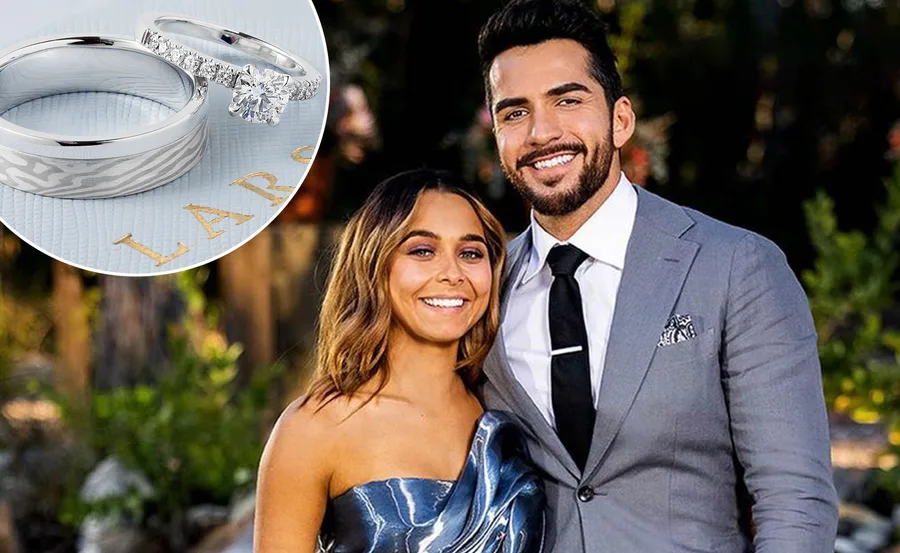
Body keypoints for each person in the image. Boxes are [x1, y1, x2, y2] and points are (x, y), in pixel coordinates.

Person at [476, 1, 840, 552]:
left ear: (621, 119)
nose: (541, 132)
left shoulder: (736, 267)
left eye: (567, 101)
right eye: (514, 112)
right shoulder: (481, 285)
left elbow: (794, 497)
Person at [253, 169, 546, 553]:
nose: (452, 274)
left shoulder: (507, 405)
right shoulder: (316, 428)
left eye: (471, 253)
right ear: (374, 263)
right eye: (422, 251)